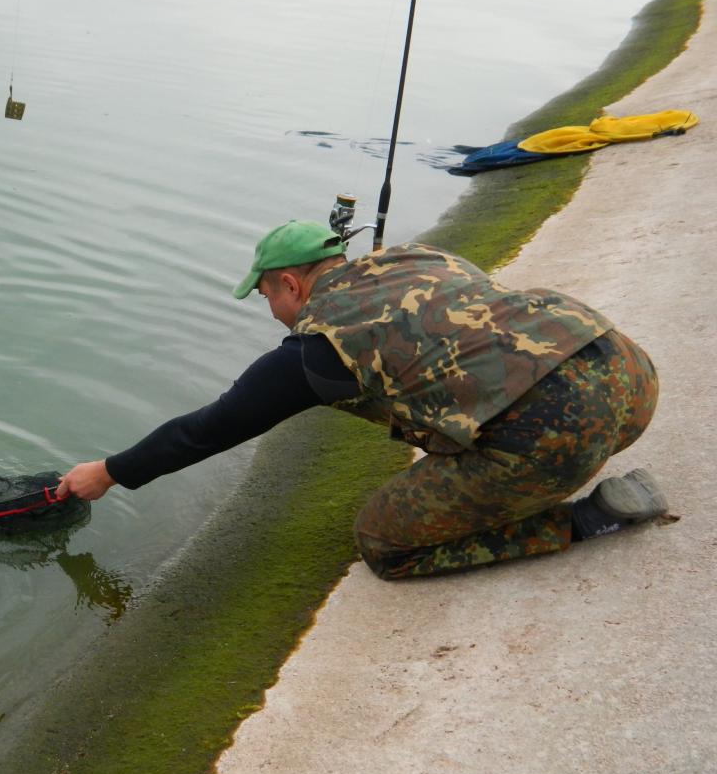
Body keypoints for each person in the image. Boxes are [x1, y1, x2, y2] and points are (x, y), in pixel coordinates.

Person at [56, 219, 666, 579]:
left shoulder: (314, 352)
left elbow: (206, 430)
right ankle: (550, 459)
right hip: (628, 373)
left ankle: (587, 519)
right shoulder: (416, 256)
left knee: (384, 542)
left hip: (559, 434)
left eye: (267, 296)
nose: (272, 311)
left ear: (290, 284)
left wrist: (107, 472)